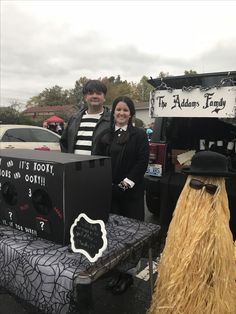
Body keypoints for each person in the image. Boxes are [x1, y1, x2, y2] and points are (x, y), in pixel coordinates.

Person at [148, 151, 236, 314]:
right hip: (179, 269)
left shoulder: (223, 212)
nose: (203, 188)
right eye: (196, 183)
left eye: (210, 186)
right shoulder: (182, 211)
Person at [96, 96, 149, 294]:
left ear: (131, 113)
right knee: (113, 235)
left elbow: (141, 163)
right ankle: (115, 273)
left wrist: (123, 186)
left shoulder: (139, 135)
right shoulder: (105, 134)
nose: (121, 113)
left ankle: (127, 277)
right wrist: (106, 185)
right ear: (113, 112)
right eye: (118, 110)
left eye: (125, 110)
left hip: (130, 194)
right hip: (110, 192)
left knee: (130, 236)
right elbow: (98, 160)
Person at [60, 80, 110, 155]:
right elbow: (64, 143)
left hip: (100, 166)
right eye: (90, 93)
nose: (94, 96)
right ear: (85, 97)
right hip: (74, 165)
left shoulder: (111, 120)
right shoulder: (74, 119)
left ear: (104, 97)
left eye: (98, 93)